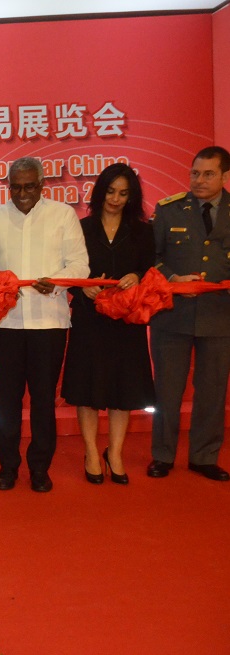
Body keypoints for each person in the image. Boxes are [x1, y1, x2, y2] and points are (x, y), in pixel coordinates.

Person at [0, 157, 89, 492]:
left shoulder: (63, 215)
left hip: (49, 321)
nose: (23, 193)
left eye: (30, 186)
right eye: (16, 186)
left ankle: (40, 468)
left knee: (43, 399)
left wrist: (57, 282)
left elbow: (80, 265)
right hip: (6, 324)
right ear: (8, 185)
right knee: (8, 400)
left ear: (43, 185)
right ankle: (8, 467)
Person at [61, 164, 154, 485]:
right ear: (100, 192)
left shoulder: (143, 231)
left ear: (132, 197)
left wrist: (137, 277)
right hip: (90, 319)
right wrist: (82, 284)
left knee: (123, 388)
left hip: (127, 321)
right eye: (111, 191)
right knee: (88, 387)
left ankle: (114, 452)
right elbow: (65, 271)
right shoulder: (81, 228)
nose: (116, 198)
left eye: (124, 193)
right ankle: (90, 451)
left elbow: (151, 270)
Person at [148, 146, 230, 482]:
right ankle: (163, 455)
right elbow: (150, 258)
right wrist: (170, 277)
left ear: (224, 177)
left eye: (208, 174)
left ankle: (204, 456)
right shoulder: (168, 210)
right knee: (167, 390)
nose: (199, 180)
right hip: (173, 315)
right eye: (195, 173)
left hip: (220, 315)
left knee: (212, 390)